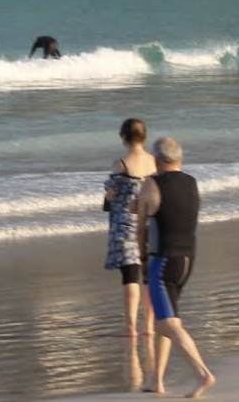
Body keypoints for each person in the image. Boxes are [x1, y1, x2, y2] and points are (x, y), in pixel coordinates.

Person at [139, 138, 216, 399]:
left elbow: (140, 227)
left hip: (162, 261)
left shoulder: (151, 183)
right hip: (187, 258)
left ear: (157, 160)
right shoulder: (191, 182)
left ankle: (202, 373)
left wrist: (142, 259)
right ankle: (156, 381)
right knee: (168, 317)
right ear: (179, 159)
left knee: (166, 324)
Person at [104, 119, 157, 389]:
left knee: (130, 275)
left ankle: (130, 327)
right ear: (144, 137)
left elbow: (110, 197)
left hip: (125, 223)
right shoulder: (154, 163)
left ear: (124, 137)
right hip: (148, 222)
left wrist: (110, 197)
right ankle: (148, 325)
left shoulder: (120, 165)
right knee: (146, 275)